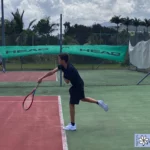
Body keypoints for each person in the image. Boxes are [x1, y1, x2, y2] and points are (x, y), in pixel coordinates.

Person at [38, 53, 108, 131]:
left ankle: (72, 125)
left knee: (71, 104)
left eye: (59, 59)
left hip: (77, 86)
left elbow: (67, 81)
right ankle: (98, 102)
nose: (58, 60)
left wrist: (63, 75)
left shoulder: (70, 69)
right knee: (83, 98)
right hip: (78, 84)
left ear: (63, 60)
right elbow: (52, 72)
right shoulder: (62, 66)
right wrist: (42, 78)